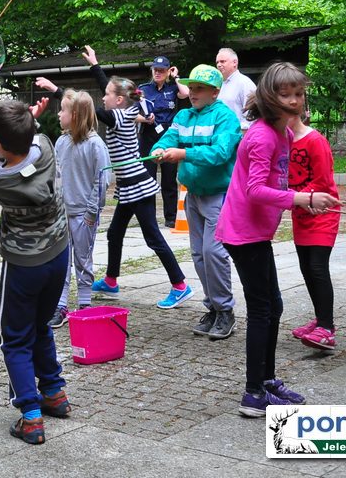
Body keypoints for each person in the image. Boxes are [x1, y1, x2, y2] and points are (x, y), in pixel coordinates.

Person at [215, 62, 339, 417]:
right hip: (243, 233)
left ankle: (266, 381)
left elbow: (278, 184)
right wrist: (302, 199)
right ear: (270, 97)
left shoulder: (282, 133)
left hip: (257, 232)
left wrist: (309, 199)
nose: (294, 101)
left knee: (274, 307)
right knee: (263, 309)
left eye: (298, 94)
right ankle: (253, 392)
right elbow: (255, 190)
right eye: (285, 94)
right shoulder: (262, 135)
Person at [0, 98, 72, 445]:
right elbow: (27, 146)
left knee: (14, 338)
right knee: (40, 326)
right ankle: (54, 393)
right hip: (58, 256)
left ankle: (31, 416)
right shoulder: (46, 146)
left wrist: (12, 135)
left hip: (23, 265)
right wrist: (27, 125)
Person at [72, 46, 191, 308]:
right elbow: (112, 90)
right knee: (114, 233)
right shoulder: (126, 110)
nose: (103, 97)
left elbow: (91, 110)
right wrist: (95, 64)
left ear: (118, 100)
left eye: (106, 95)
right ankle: (111, 280)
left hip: (137, 186)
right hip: (128, 187)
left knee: (153, 238)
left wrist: (60, 92)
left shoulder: (117, 117)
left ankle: (180, 285)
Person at [150, 64, 241, 340]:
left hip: (218, 195)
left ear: (215, 91)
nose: (193, 93)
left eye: (200, 88)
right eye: (191, 87)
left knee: (214, 253)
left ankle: (225, 311)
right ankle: (212, 307)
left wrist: (183, 155)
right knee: (199, 255)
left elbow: (221, 153)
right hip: (193, 194)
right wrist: (158, 150)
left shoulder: (226, 118)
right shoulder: (183, 116)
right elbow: (167, 138)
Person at [31, 83, 110, 329]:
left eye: (62, 110)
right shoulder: (62, 143)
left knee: (83, 260)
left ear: (74, 115)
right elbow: (56, 176)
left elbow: (102, 181)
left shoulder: (96, 145)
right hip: (62, 216)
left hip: (83, 217)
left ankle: (85, 305)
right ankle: (61, 305)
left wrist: (91, 212)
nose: (58, 114)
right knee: (62, 262)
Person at [288, 105, 341, 351]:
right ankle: (320, 319)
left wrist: (298, 197)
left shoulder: (314, 140)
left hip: (322, 212)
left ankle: (327, 328)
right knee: (306, 268)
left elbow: (323, 181)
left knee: (318, 268)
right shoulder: (282, 141)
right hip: (300, 213)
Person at [137, 55, 189, 227]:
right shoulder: (143, 89)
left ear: (168, 71)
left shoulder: (174, 88)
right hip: (148, 135)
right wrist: (145, 119)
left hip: (168, 136)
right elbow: (130, 114)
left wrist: (176, 77)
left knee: (169, 178)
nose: (157, 73)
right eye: (155, 70)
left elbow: (186, 93)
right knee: (148, 178)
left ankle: (171, 217)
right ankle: (149, 218)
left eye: (161, 70)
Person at [215, 48, 257, 130]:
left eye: (222, 61)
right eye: (217, 62)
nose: (219, 65)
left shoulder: (245, 83)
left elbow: (252, 115)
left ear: (235, 62)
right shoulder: (217, 84)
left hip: (239, 136)